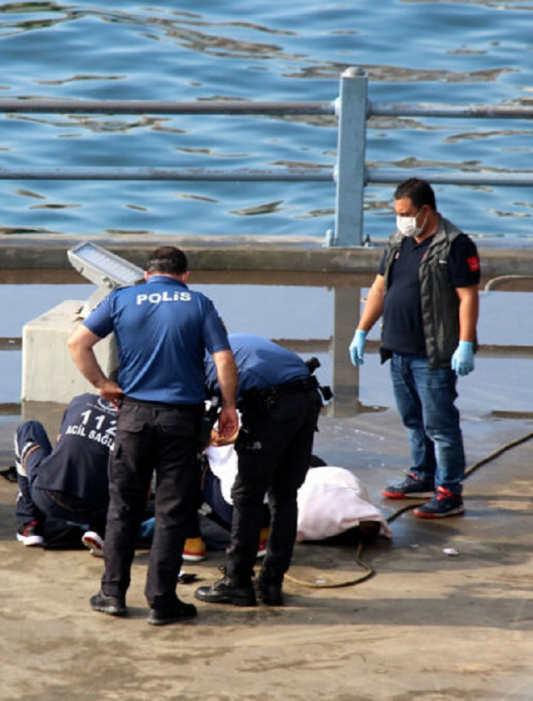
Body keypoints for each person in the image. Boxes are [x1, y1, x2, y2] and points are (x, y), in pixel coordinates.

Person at [67, 245, 239, 626]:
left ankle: (112, 594)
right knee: (172, 512)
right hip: (182, 421)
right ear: (185, 276)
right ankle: (161, 602)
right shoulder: (199, 303)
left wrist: (102, 384)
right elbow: (223, 359)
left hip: (133, 417)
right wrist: (228, 408)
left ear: (148, 274)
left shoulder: (122, 298)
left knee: (123, 507)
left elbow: (77, 343)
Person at [348, 177, 481, 518]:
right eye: (397, 213)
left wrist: (465, 343)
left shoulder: (454, 244)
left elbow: (467, 297)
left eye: (406, 213)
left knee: (440, 425)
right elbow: (379, 288)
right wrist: (362, 330)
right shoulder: (398, 241)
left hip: (433, 354)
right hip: (398, 351)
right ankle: (422, 474)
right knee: (413, 420)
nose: (401, 220)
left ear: (425, 210)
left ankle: (450, 491)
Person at [194, 333, 324, 607]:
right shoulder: (236, 341)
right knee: (285, 495)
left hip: (273, 405)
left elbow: (199, 420)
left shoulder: (200, 362)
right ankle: (272, 584)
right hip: (308, 397)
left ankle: (237, 582)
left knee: (247, 495)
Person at [12, 392, 117, 553]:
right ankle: (100, 530)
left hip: (49, 497)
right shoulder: (137, 422)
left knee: (29, 428)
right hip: (96, 510)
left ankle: (31, 524)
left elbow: (61, 441)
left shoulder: (81, 401)